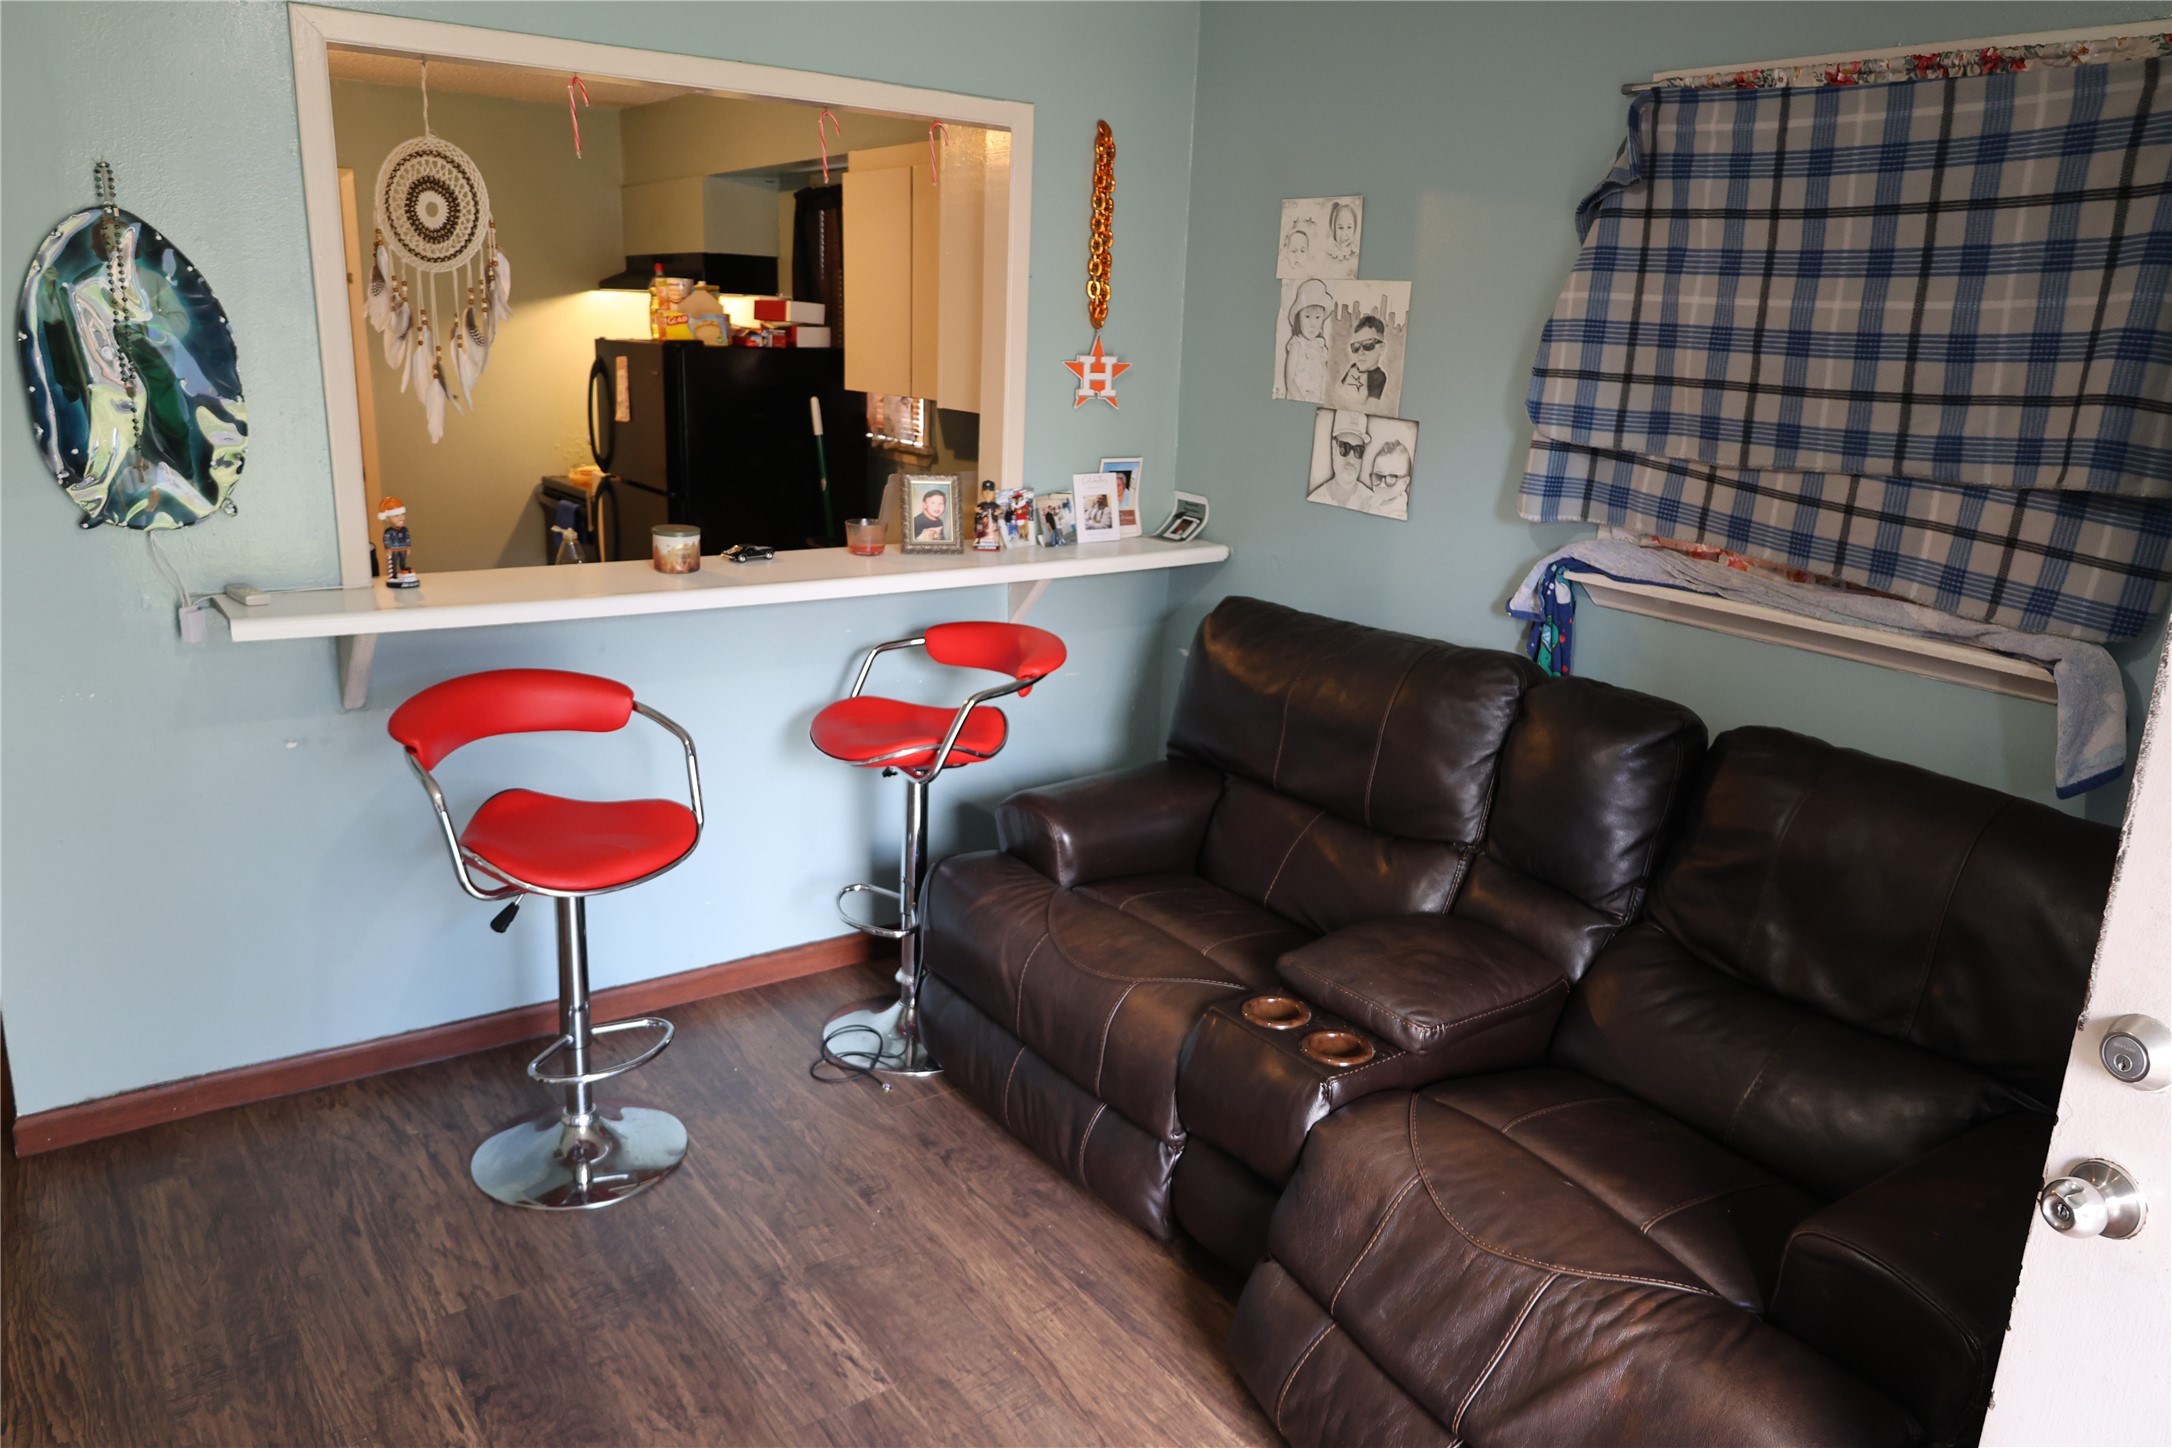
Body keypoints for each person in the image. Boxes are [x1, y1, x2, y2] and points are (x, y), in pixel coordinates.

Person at [1306, 412, 1370, 511]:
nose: (1352, 459)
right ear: (1333, 448)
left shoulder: (1372, 503)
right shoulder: (1315, 499)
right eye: (1345, 448)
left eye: (1358, 450)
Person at [1283, 278, 1332, 401]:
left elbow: (1325, 377)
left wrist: (1324, 397)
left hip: (1316, 399)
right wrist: (1302, 400)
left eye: (1317, 317)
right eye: (1307, 316)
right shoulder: (1297, 345)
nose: (1312, 324)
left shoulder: (1321, 347)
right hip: (1298, 398)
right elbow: (1290, 380)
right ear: (1298, 318)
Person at [1339, 312, 1390, 404]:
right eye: (1356, 346)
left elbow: (1371, 408)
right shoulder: (1353, 367)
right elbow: (1338, 391)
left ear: (1381, 348)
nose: (1361, 352)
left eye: (1368, 345)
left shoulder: (1378, 377)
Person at [1361, 437, 1413, 518]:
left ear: (1405, 483)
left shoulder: (1398, 512)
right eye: (1378, 476)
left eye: (1391, 478)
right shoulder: (1372, 499)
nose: (1382, 485)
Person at [378, 496, 418, 589]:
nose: (401, 518)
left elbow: (407, 538)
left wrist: (408, 547)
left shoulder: (405, 530)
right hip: (394, 549)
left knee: (403, 560)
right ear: (388, 519)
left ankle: (403, 571)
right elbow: (386, 540)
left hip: (403, 548)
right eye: (396, 516)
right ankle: (393, 575)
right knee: (394, 561)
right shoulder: (389, 531)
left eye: (402, 515)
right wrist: (388, 548)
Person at [1325, 201, 1359, 268]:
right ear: (1334, 228)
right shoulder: (1329, 252)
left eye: (1349, 227)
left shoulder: (1355, 253)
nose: (1344, 233)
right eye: (1340, 228)